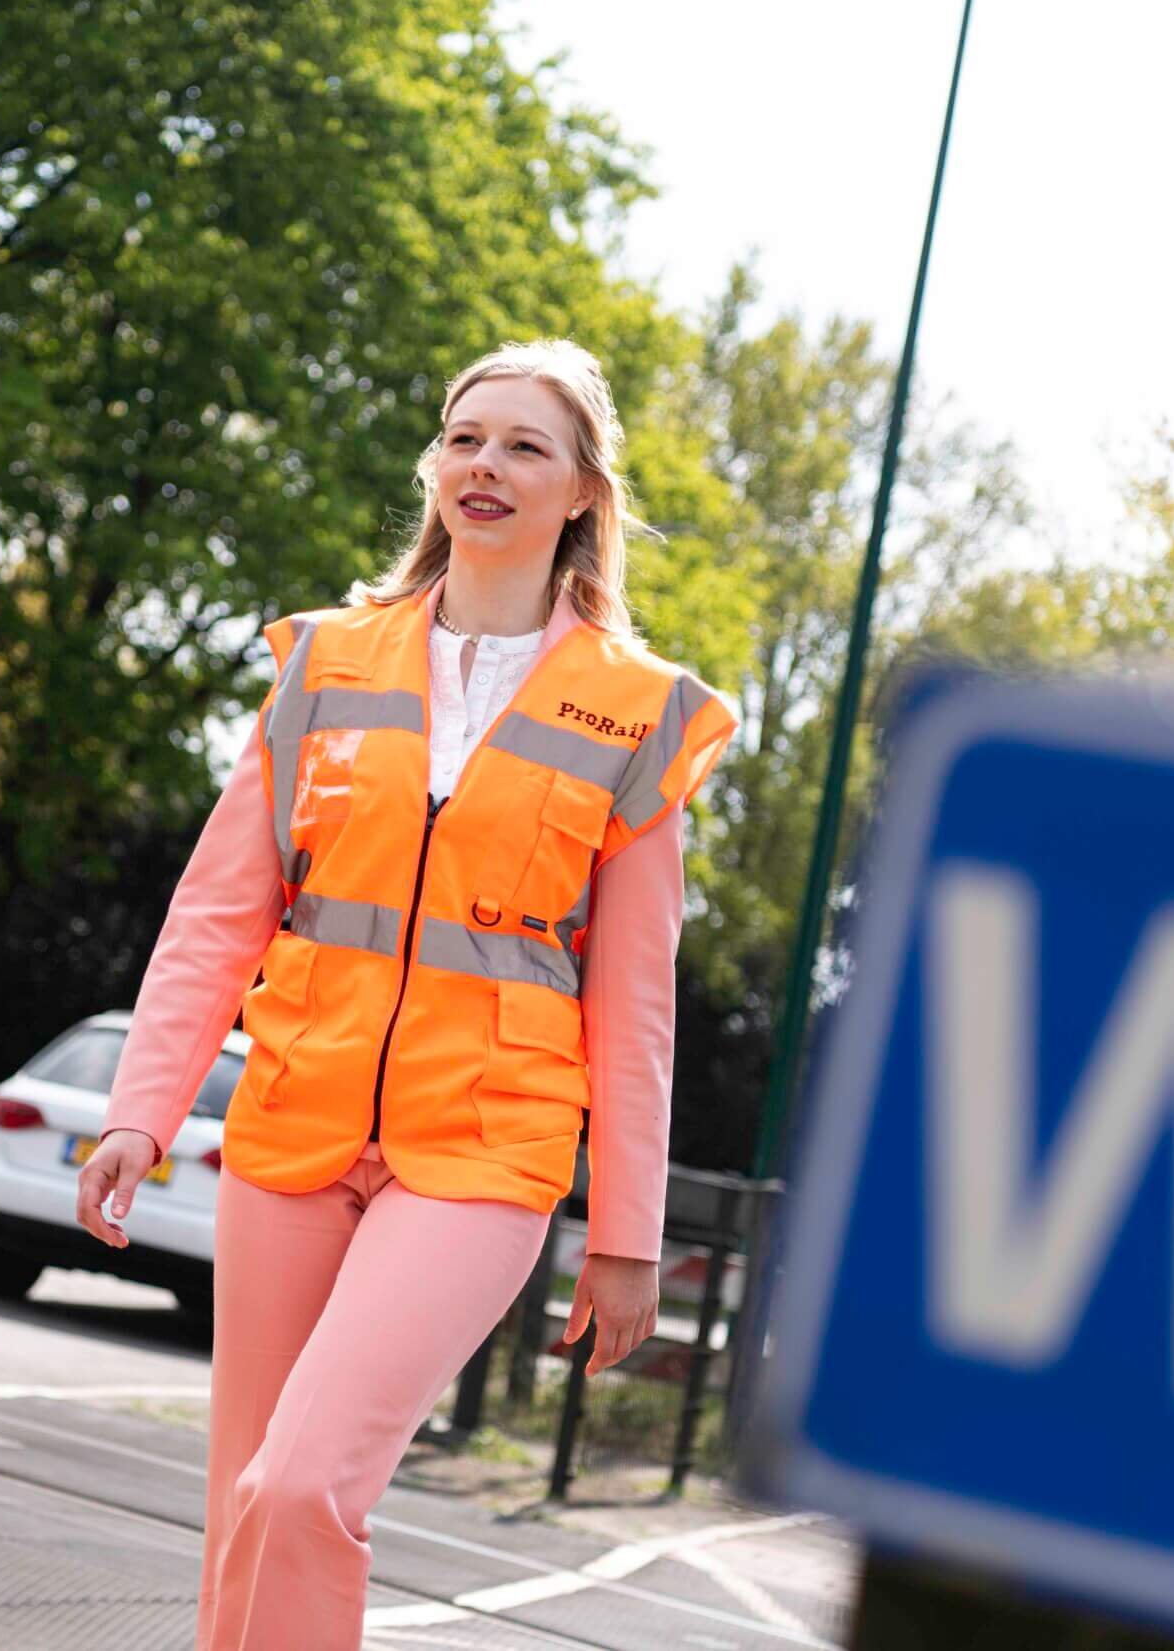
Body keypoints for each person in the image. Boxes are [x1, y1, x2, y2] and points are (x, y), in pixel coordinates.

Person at [73, 338, 737, 1650]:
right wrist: (141, 1112)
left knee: (306, 1485)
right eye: (464, 436)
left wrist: (626, 1235)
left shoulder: (639, 713)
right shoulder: (324, 664)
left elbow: (637, 1005)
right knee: (241, 1509)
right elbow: (217, 914)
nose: (485, 464)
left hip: (483, 1150)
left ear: (585, 493)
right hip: (292, 1126)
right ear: (436, 466)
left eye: (524, 446)